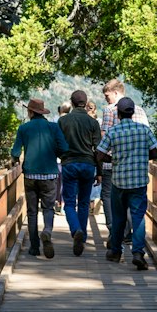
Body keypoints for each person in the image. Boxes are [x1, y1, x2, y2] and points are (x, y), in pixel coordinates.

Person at [98, 96, 157, 271]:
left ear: (118, 113)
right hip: (139, 182)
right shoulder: (144, 130)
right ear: (133, 112)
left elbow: (100, 155)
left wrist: (114, 158)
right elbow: (154, 153)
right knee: (138, 218)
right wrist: (140, 157)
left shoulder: (113, 132)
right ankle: (138, 253)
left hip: (119, 182)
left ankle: (116, 252)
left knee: (119, 218)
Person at [11, 97, 68, 257]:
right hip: (50, 174)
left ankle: (34, 247)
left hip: (30, 174)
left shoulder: (24, 128)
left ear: (30, 112)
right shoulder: (53, 127)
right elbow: (64, 148)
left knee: (32, 211)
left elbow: (15, 152)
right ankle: (47, 231)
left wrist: (15, 159)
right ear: (41, 112)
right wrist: (54, 152)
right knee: (48, 208)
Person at [99, 78, 150, 238]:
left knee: (111, 199)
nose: (106, 99)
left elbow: (104, 136)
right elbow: (150, 142)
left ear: (115, 93)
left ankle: (115, 234)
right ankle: (133, 241)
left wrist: (108, 159)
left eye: (107, 96)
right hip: (138, 169)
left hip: (116, 167)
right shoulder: (140, 111)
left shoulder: (109, 110)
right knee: (135, 207)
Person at [57, 88, 101, 255]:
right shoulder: (93, 123)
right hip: (88, 165)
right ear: (85, 102)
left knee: (69, 202)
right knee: (84, 202)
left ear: (72, 102)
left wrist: (63, 156)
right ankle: (81, 237)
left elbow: (58, 144)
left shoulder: (63, 121)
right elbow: (98, 149)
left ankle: (76, 230)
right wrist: (100, 172)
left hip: (69, 164)